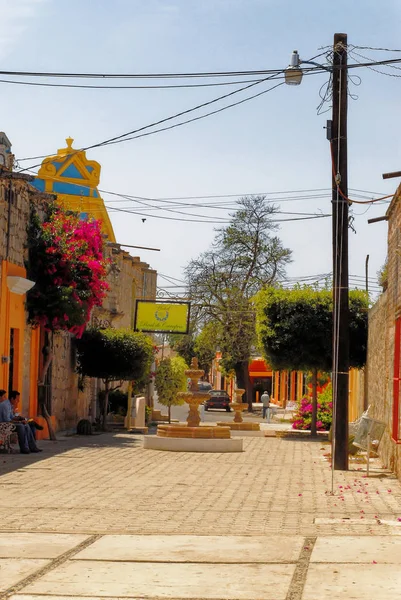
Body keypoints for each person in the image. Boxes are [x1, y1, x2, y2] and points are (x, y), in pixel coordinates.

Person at [0, 390, 42, 454]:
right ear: (12, 398)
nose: (18, 401)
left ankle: (32, 447)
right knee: (21, 426)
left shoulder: (10, 405)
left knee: (26, 425)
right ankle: (24, 448)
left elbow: (12, 417)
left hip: (8, 423)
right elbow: (7, 419)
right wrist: (19, 422)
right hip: (4, 424)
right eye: (17, 399)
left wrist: (20, 419)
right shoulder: (5, 405)